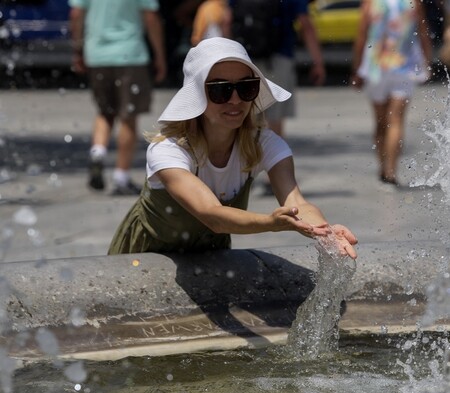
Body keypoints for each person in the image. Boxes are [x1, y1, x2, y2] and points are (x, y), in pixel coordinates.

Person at [108, 37, 357, 259]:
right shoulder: (168, 149)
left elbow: (298, 203)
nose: (235, 99)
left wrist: (324, 231)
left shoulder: (264, 143)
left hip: (211, 256)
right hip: (144, 255)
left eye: (246, 87)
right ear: (196, 96)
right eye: (220, 90)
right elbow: (212, 215)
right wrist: (270, 222)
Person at [69, 0, 167, 195]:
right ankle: (121, 177)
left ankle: (97, 153)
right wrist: (160, 56)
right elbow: (150, 17)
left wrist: (78, 49)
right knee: (128, 117)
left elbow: (76, 15)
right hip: (129, 54)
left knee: (105, 112)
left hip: (96, 54)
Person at [350, 0, 433, 186]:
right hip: (403, 65)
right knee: (396, 120)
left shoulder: (370, 3)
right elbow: (423, 33)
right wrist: (427, 62)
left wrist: (356, 69)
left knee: (380, 121)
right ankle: (391, 171)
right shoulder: (413, 2)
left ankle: (383, 167)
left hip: (375, 67)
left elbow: (362, 36)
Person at [229, 0, 326, 138]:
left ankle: (249, 157)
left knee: (249, 117)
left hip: (246, 60)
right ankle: (274, 158)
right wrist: (318, 63)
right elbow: (305, 24)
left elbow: (227, 19)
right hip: (280, 58)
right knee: (275, 120)